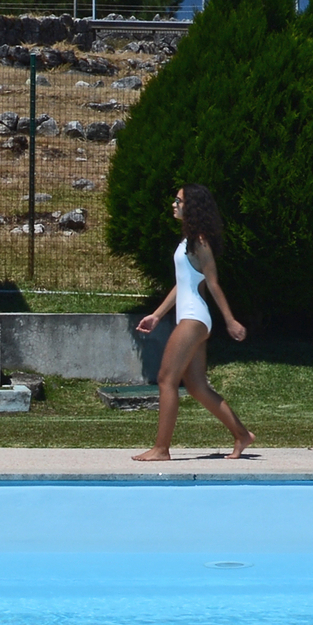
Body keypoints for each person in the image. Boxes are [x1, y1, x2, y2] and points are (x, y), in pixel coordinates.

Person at [132, 184, 255, 461]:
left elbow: (212, 284)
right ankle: (242, 435)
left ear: (192, 207)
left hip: (194, 318)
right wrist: (157, 315)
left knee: (166, 379)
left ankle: (161, 449)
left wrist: (230, 320)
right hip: (190, 316)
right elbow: (183, 284)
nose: (173, 205)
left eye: (178, 201)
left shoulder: (200, 241)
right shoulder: (188, 241)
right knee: (197, 387)